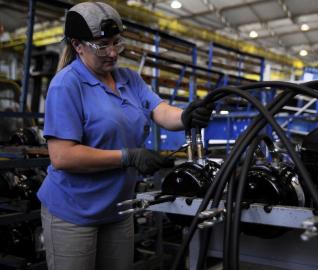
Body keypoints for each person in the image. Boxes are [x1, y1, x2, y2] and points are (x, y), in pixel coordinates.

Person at [37, 2, 213, 270]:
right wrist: (127, 157)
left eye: (116, 42)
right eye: (102, 45)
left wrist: (185, 116)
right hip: (73, 211)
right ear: (77, 44)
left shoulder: (129, 78)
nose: (111, 53)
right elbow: (62, 156)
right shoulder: (66, 84)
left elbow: (160, 110)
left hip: (119, 208)